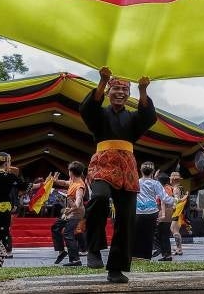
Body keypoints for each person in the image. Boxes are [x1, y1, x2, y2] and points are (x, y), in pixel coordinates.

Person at [79, 66, 157, 284]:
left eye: (125, 90)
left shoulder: (133, 119)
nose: (120, 93)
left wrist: (143, 90)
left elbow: (148, 116)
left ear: (128, 94)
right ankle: (94, 248)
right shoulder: (100, 115)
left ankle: (116, 268)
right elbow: (87, 109)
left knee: (126, 217)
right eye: (116, 89)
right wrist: (102, 81)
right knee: (100, 197)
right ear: (109, 92)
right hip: (103, 163)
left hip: (128, 168)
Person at [50, 161, 87, 267]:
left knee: (68, 233)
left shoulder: (79, 186)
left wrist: (70, 209)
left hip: (76, 213)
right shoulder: (72, 181)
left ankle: (75, 260)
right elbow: (65, 183)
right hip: (69, 212)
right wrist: (56, 180)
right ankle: (61, 252)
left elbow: (78, 202)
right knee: (55, 228)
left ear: (71, 172)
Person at [133, 162, 170, 261]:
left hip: (138, 212)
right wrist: (175, 200)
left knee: (137, 235)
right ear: (152, 172)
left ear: (141, 171)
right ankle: (146, 257)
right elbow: (165, 198)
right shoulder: (155, 183)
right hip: (152, 212)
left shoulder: (136, 182)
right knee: (149, 235)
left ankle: (135, 256)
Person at [169, 171, 186, 255]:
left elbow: (176, 199)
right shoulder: (181, 187)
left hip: (177, 211)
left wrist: (173, 207)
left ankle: (179, 248)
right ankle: (178, 248)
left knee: (173, 229)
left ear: (173, 180)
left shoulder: (176, 188)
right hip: (180, 211)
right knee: (176, 229)